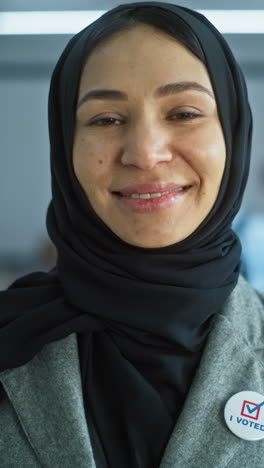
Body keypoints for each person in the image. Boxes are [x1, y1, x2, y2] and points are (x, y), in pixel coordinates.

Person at [0, 2, 263, 467]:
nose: (144, 153)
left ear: (233, 133)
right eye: (105, 120)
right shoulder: (10, 340)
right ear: (65, 147)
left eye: (183, 113)